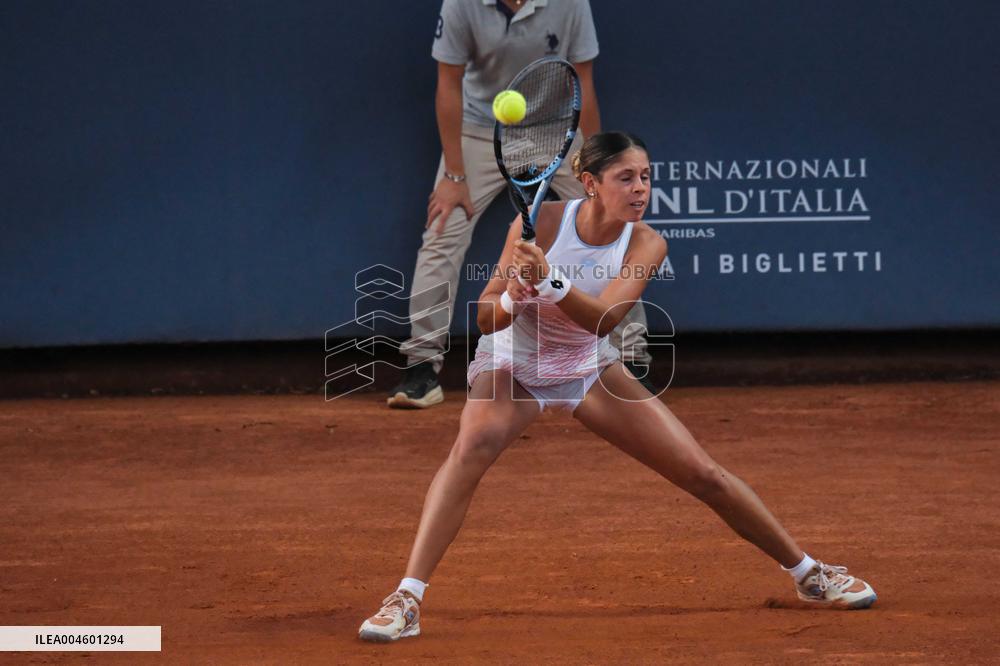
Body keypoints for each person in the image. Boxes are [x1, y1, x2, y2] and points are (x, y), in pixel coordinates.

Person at [358, 132, 877, 642]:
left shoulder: (647, 242)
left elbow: (604, 321)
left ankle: (809, 573)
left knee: (703, 473)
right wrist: (515, 295)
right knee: (468, 451)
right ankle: (406, 598)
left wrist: (552, 281)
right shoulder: (539, 222)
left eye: (646, 177)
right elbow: (486, 316)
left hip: (586, 365)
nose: (640, 189)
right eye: (625, 177)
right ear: (589, 182)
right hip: (513, 365)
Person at [388, 0, 654, 409]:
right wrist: (454, 176)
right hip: (481, 132)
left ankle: (631, 361)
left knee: (613, 224)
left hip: (558, 129)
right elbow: (448, 83)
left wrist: (599, 167)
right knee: (442, 232)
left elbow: (583, 79)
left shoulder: (571, 4)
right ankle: (422, 367)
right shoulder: (462, 5)